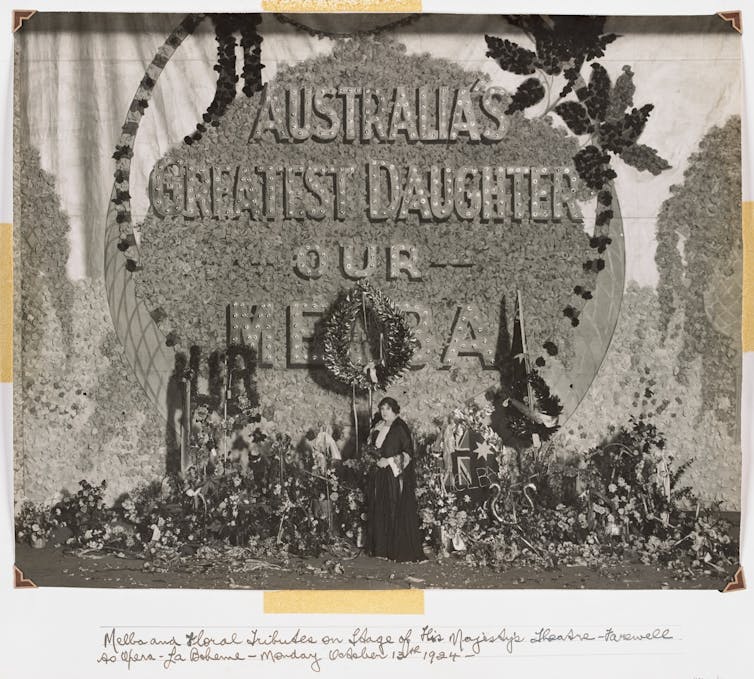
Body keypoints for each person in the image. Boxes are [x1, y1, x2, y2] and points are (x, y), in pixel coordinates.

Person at [366, 397, 425, 562]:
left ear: (395, 410)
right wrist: (372, 457)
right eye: (382, 409)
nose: (384, 412)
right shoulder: (378, 426)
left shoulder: (400, 427)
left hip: (394, 476)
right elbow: (372, 447)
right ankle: (381, 549)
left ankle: (395, 549)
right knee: (380, 508)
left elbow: (408, 454)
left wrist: (389, 461)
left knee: (393, 509)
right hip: (379, 475)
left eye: (387, 409)